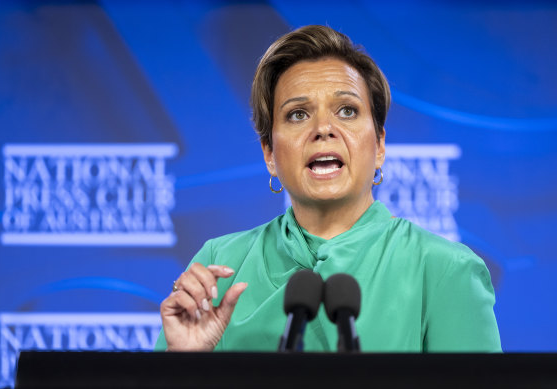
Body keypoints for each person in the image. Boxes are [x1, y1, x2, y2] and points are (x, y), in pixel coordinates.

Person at [155, 25, 502, 352]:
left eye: (347, 110)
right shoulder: (219, 266)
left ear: (379, 145)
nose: (323, 128)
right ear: (269, 155)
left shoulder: (444, 270)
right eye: (297, 114)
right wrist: (184, 364)